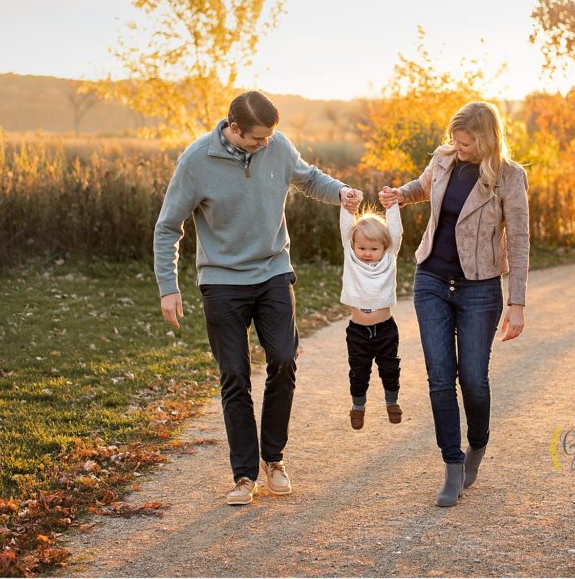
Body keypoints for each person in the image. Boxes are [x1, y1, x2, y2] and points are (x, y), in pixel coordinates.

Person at [155, 90, 362, 506]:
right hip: (222, 281)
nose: (265, 144)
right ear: (233, 129)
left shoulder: (278, 145)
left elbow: (307, 178)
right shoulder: (196, 161)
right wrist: (169, 286)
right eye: (257, 139)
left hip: (272, 272)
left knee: (283, 359)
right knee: (233, 374)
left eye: (269, 137)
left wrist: (341, 192)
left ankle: (274, 460)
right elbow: (167, 227)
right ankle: (244, 475)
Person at [379, 101, 530, 507]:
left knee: (474, 381)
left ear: (486, 140)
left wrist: (517, 303)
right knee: (440, 377)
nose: (457, 148)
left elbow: (517, 241)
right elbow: (423, 187)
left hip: (479, 288)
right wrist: (399, 195)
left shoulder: (510, 178)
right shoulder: (444, 158)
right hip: (431, 279)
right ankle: (452, 462)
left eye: (465, 144)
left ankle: (476, 445)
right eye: (454, 141)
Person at [339, 197, 404, 430]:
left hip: (385, 329)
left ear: (385, 248)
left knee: (390, 368)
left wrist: (392, 206)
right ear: (353, 245)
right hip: (357, 331)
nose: (367, 253)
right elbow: (346, 229)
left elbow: (395, 232)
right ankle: (358, 406)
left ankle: (391, 402)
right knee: (358, 372)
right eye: (362, 248)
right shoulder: (351, 257)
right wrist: (349, 207)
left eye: (374, 249)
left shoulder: (389, 258)